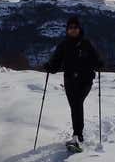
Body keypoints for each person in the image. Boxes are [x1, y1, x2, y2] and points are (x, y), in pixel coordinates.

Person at [44, 16, 103, 151]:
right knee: (75, 106)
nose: (73, 30)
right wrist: (50, 67)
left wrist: (99, 63)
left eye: (75, 27)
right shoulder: (63, 45)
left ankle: (77, 136)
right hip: (70, 81)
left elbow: (96, 58)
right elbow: (56, 62)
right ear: (67, 30)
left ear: (79, 29)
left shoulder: (86, 44)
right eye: (70, 28)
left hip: (85, 79)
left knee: (76, 103)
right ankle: (78, 136)